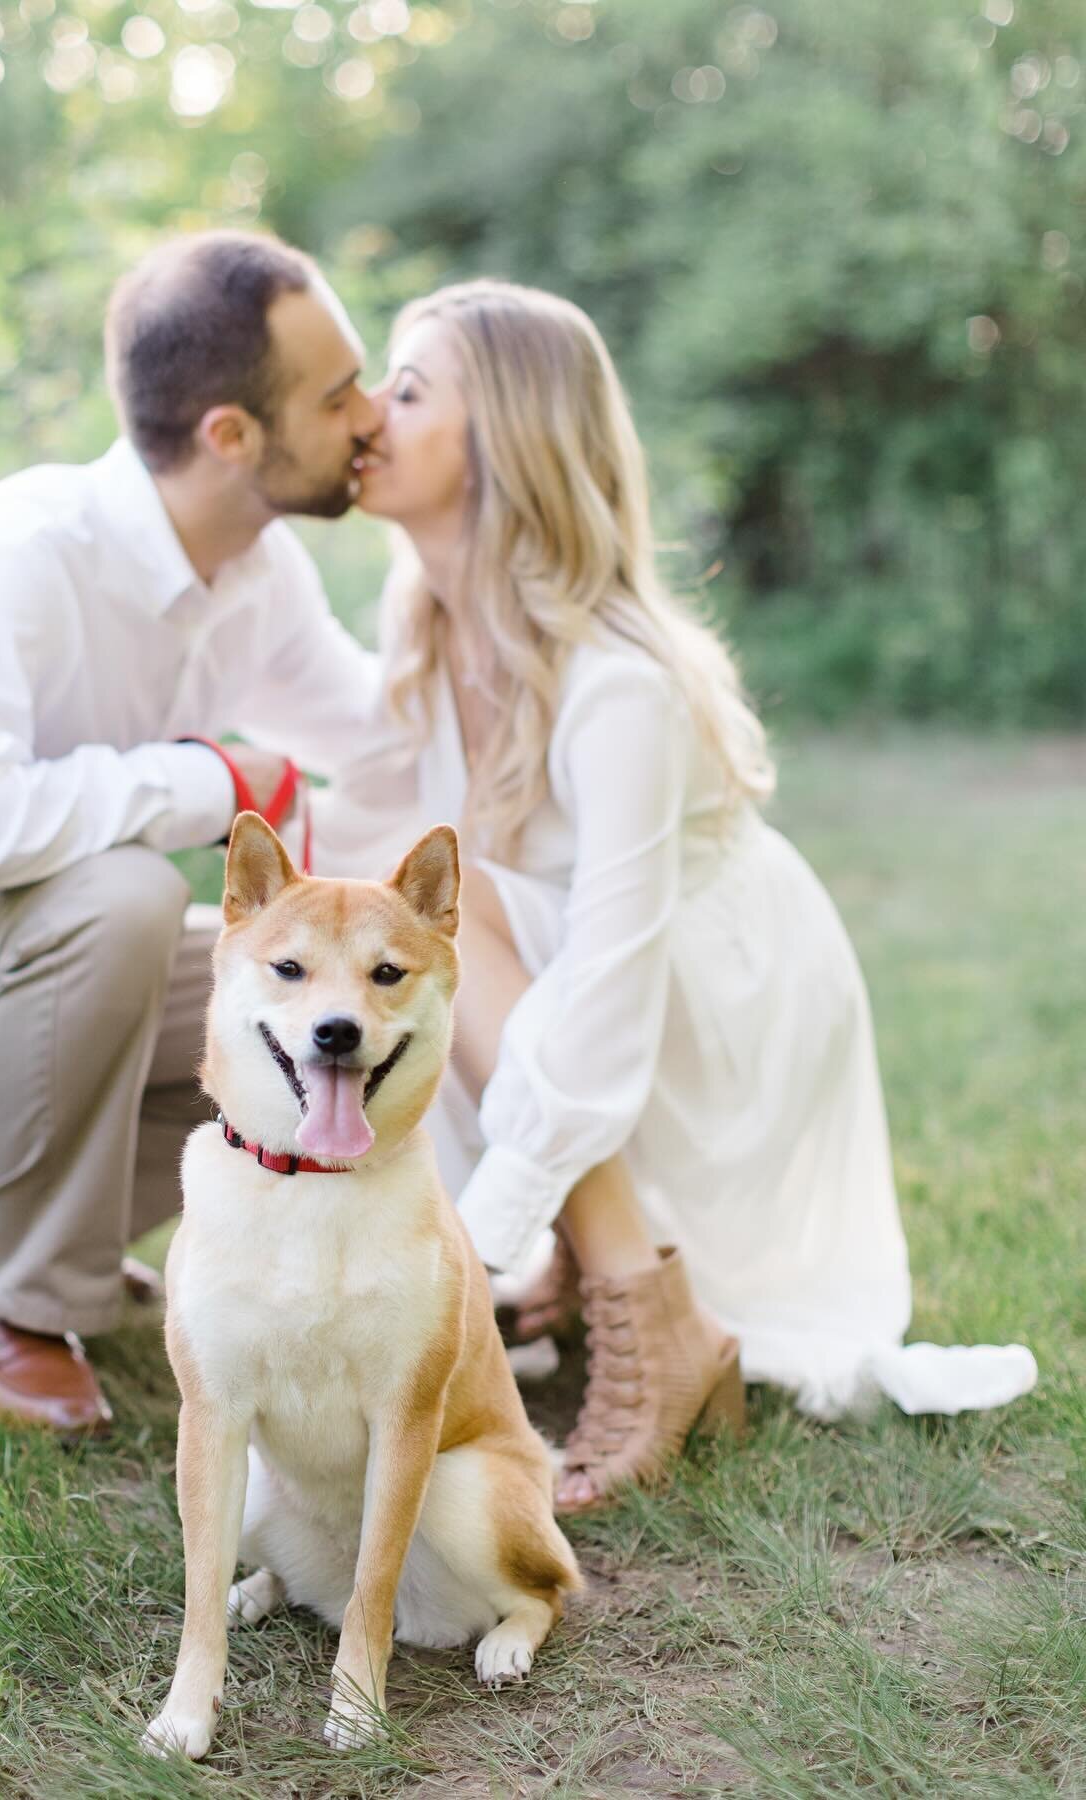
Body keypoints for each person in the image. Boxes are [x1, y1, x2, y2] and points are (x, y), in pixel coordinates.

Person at [348, 279, 1036, 1512]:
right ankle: (575, 1265)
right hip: (583, 985)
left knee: (459, 926)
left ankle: (644, 1305)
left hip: (715, 995)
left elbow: (609, 999)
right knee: (417, 908)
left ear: (505, 437)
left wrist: (496, 1217)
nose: (367, 413)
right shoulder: (424, 639)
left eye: (408, 389)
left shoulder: (617, 682)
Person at [0, 230, 384, 1437]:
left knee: (309, 1011)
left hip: (33, 957)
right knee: (125, 898)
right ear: (230, 436)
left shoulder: (264, 572)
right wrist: (203, 780)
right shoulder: (20, 548)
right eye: (338, 392)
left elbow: (374, 733)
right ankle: (13, 1303)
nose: (368, 415)